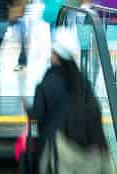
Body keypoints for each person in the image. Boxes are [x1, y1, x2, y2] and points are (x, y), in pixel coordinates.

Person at [27, 27, 86, 162]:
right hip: (78, 148)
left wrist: (30, 113)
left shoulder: (48, 83)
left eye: (52, 52)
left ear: (57, 55)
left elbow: (37, 117)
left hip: (52, 148)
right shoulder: (83, 83)